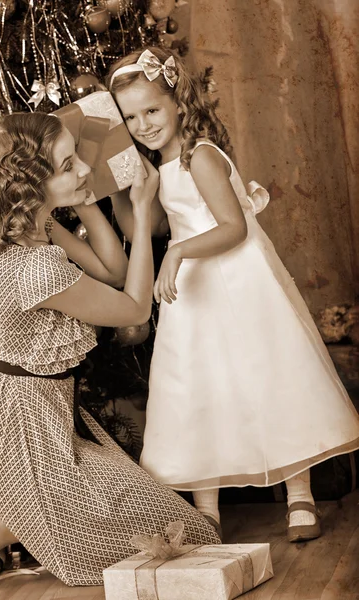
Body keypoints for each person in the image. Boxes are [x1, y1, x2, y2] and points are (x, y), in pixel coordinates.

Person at [0, 112, 220, 594]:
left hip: (29, 414)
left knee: (187, 531)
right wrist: (141, 203)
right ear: (29, 182)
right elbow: (133, 306)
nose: (84, 169)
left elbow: (112, 270)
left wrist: (86, 199)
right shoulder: (31, 268)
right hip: (14, 427)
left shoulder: (24, 225)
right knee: (187, 534)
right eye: (68, 166)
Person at [107, 47, 359, 543]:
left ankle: (300, 495)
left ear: (178, 101)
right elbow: (145, 229)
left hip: (240, 282)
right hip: (196, 300)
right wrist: (124, 191)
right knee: (199, 385)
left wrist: (178, 254)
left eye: (151, 110)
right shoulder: (159, 167)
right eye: (131, 118)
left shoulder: (199, 156)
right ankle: (207, 512)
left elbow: (234, 228)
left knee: (269, 374)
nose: (143, 124)